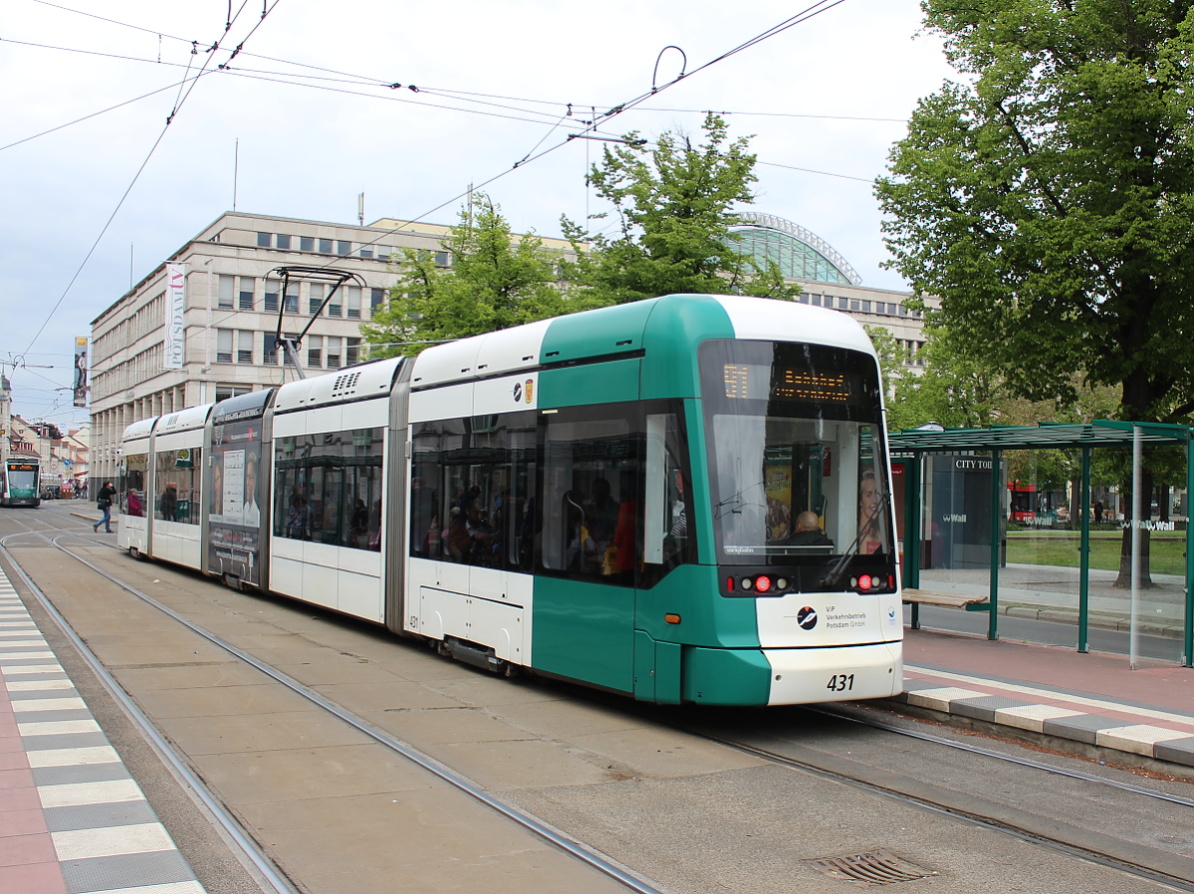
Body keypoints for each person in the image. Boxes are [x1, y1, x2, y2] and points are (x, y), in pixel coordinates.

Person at [858, 468, 883, 554]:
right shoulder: (853, 536)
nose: (875, 501)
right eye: (868, 495)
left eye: (877, 494)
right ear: (860, 500)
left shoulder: (880, 535)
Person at [242, 453, 260, 527]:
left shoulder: (257, 513)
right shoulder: (245, 507)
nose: (247, 482)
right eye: (247, 476)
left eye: (250, 477)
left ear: (256, 481)